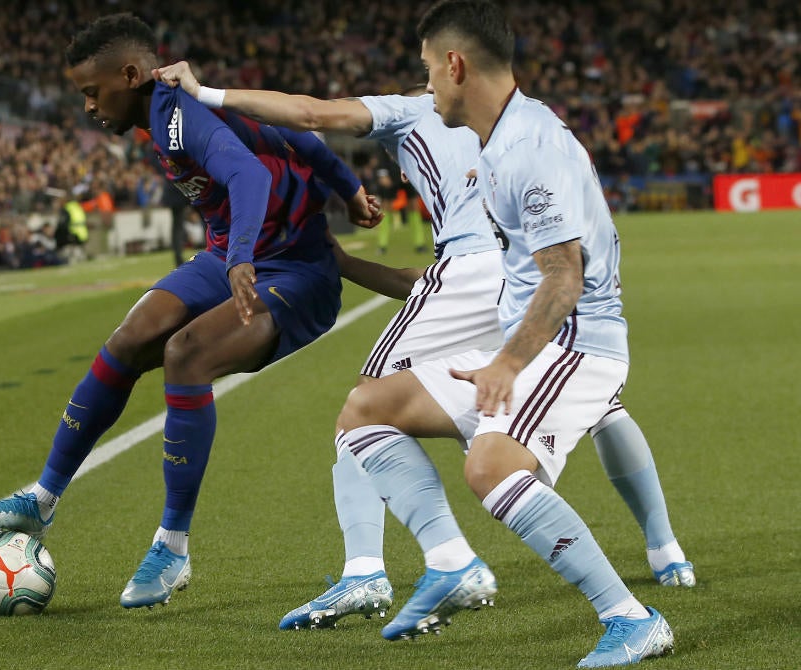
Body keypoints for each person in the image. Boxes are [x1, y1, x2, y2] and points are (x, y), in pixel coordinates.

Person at [154, 48, 693, 641]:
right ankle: (665, 549)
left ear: (448, 71)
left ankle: (377, 567)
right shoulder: (520, 129)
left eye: (433, 70)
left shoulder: (409, 111)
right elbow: (439, 277)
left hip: (479, 271)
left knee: (367, 402)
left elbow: (308, 115)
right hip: (513, 281)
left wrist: (205, 94)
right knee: (597, 406)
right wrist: (348, 261)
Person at [0, 12, 381, 612]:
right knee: (132, 338)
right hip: (228, 253)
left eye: (91, 91)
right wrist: (346, 188)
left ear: (130, 75)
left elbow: (245, 177)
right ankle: (42, 499)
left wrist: (248, 251)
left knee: (187, 354)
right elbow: (301, 140)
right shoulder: (172, 108)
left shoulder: (177, 118)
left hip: (295, 270)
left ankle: (172, 546)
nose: (87, 107)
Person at [418, 2, 673, 666]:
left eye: (426, 70)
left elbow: (564, 277)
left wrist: (506, 362)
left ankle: (630, 617)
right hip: (555, 340)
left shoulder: (530, 146)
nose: (426, 87)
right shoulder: (504, 140)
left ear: (455, 64)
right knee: (383, 409)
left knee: (490, 467)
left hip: (578, 344)